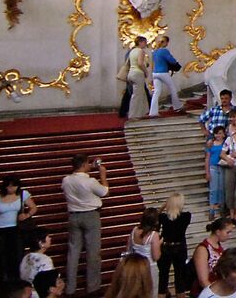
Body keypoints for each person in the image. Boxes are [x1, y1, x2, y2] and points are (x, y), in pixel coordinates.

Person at [62, 154, 111, 294]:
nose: (90, 166)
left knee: (73, 252)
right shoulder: (90, 181)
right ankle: (93, 287)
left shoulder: (66, 180)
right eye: (88, 164)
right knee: (92, 252)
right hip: (90, 215)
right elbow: (105, 192)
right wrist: (103, 176)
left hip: (73, 216)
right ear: (83, 165)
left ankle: (70, 288)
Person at [0, 176, 38, 288]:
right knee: (3, 258)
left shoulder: (23, 195)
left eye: (14, 186)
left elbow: (33, 207)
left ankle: (18, 283)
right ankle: (5, 284)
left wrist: (27, 215)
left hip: (17, 230)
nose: (11, 188)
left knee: (17, 256)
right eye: (9, 186)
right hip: (1, 231)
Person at [159, 194, 194, 298]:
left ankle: (161, 295)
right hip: (180, 248)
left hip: (165, 247)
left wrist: (163, 206)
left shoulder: (163, 217)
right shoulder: (186, 216)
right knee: (180, 276)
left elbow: (156, 215)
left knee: (163, 275)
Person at [195, 218, 236, 290]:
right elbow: (203, 280)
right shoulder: (203, 249)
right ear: (218, 232)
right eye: (228, 232)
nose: (230, 235)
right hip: (207, 291)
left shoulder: (218, 246)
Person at [149, 35, 184, 117]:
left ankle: (153, 111)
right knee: (173, 88)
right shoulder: (164, 51)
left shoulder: (154, 51)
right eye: (167, 42)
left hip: (155, 73)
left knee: (156, 92)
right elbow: (171, 60)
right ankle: (177, 106)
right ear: (165, 42)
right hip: (163, 72)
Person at [129, 207, 164, 289]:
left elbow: (129, 249)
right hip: (149, 268)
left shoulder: (134, 230)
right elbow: (156, 257)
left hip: (135, 266)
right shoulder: (154, 235)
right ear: (155, 221)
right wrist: (159, 244)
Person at [118, 39, 151, 120]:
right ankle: (133, 115)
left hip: (131, 74)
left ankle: (142, 112)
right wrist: (146, 71)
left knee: (141, 94)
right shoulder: (140, 51)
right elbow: (140, 63)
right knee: (137, 95)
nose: (145, 44)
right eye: (144, 42)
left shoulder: (132, 51)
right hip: (138, 74)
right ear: (140, 42)